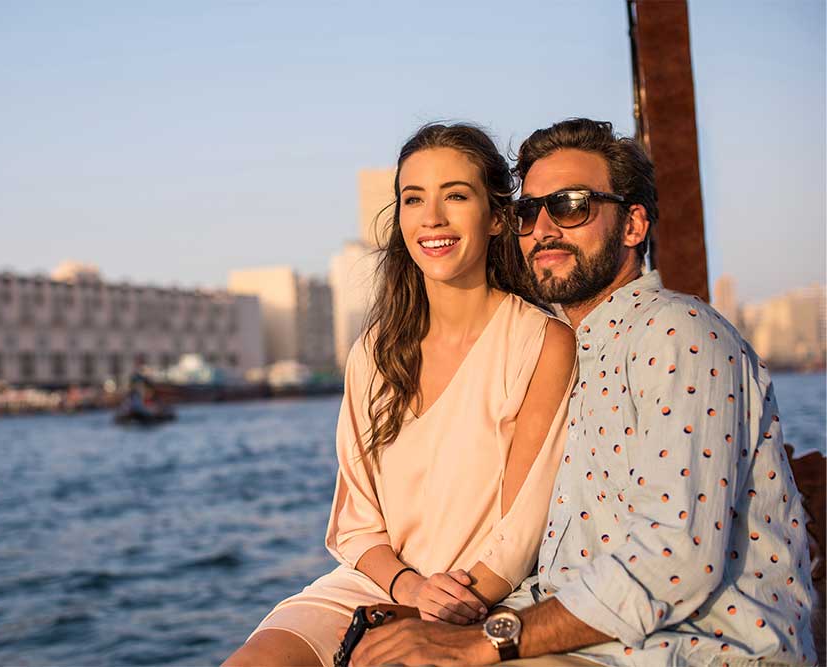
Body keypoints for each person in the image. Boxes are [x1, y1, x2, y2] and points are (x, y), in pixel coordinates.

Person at [351, 118, 817, 666]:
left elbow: (675, 559)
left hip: (699, 650)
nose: (546, 227)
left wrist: (482, 642)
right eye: (531, 211)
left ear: (633, 225)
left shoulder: (679, 333)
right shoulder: (567, 350)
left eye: (572, 206)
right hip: (591, 645)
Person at [223, 123, 577, 667]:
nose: (431, 217)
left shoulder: (541, 343)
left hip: (479, 597)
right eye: (414, 199)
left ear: (498, 217)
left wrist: (445, 609)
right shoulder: (373, 352)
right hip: (376, 587)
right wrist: (407, 587)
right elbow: (357, 522)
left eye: (455, 196)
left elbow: (520, 531)